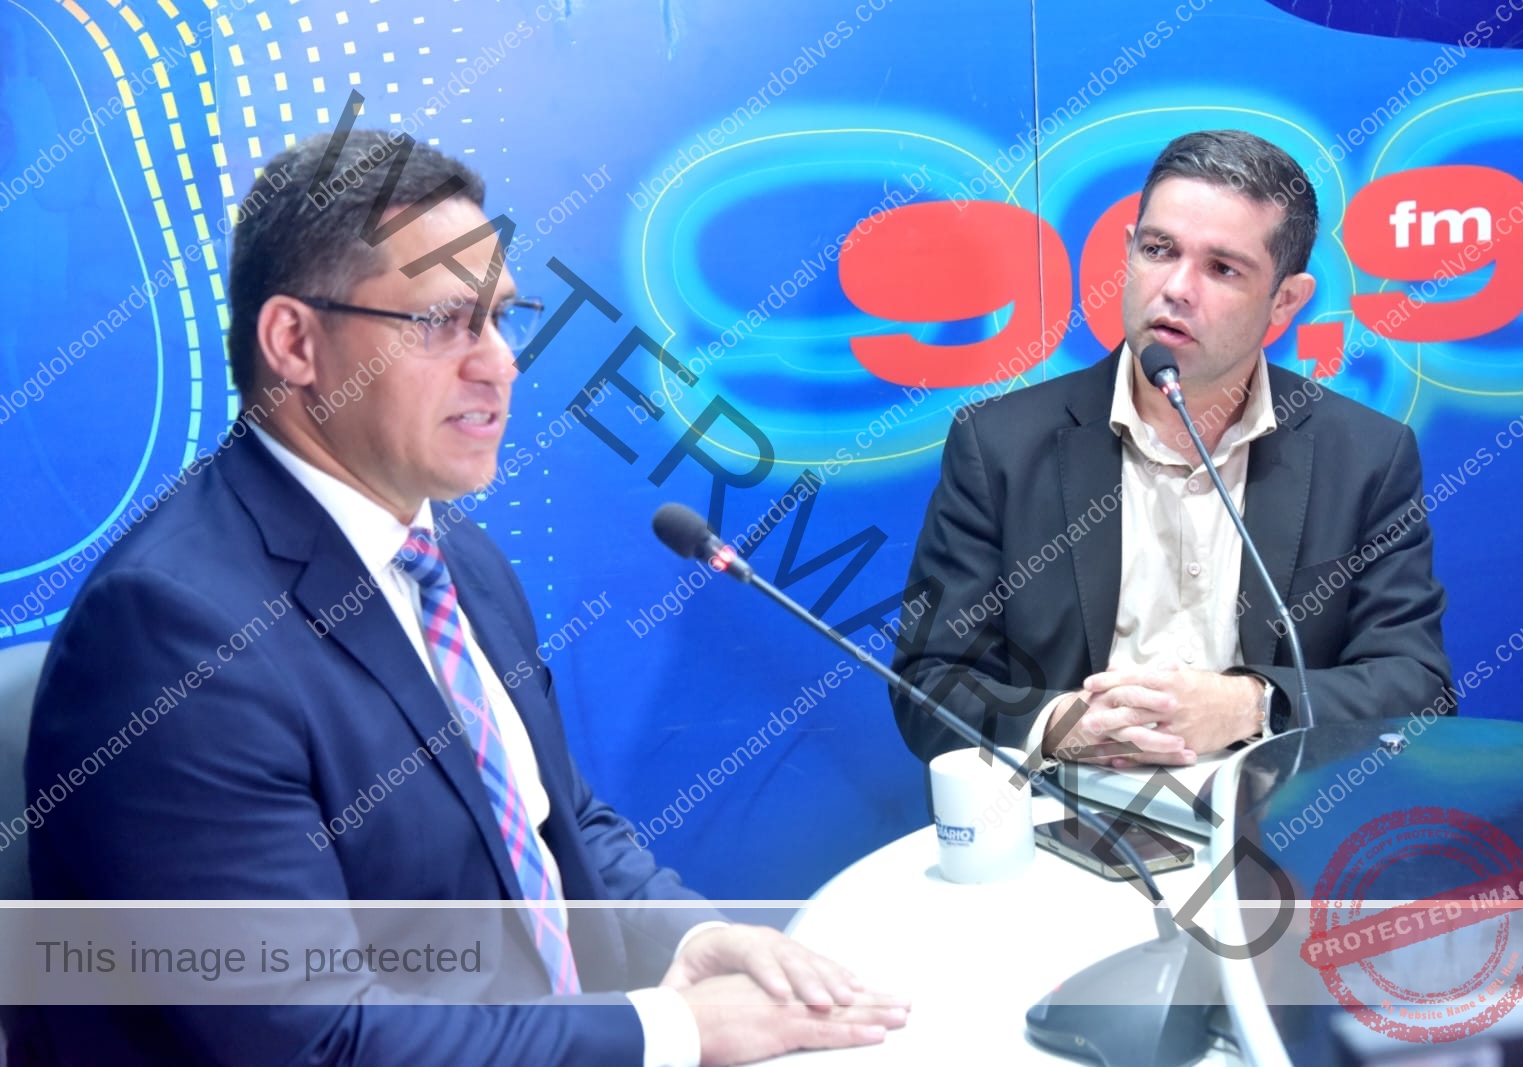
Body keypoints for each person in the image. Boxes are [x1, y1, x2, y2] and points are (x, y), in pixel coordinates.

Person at [19, 130, 906, 1066]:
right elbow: (311, 1038)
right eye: (444, 321)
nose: (499, 363)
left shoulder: (451, 552)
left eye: (500, 318)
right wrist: (677, 1028)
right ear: (294, 342)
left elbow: (553, 821)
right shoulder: (170, 631)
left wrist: (690, 940)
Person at [890, 129, 1454, 769]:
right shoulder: (1000, 446)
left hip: (1281, 811)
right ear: (1129, 252)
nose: (1177, 287)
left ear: (1285, 301)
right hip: (1071, 807)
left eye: (1222, 268)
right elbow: (931, 681)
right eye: (1159, 250)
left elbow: (1418, 687)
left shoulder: (1366, 457)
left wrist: (1250, 705)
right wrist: (1062, 726)